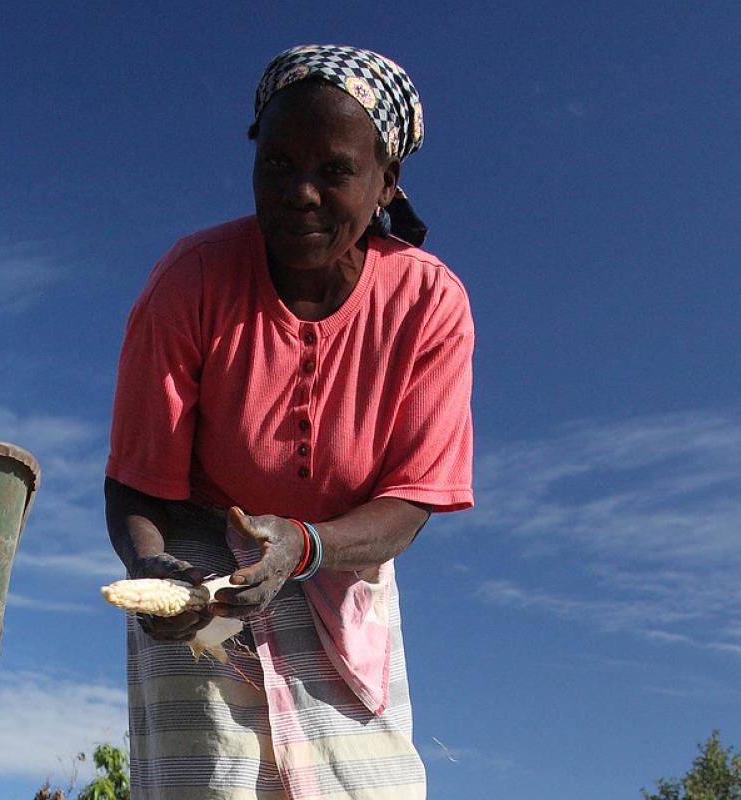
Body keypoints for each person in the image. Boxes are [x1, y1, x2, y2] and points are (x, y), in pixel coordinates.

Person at [104, 44, 473, 800]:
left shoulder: (428, 304)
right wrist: (153, 567)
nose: (299, 193)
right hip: (199, 559)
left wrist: (306, 545)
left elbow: (410, 502)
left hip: (341, 556)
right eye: (277, 166)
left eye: (333, 170)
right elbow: (138, 483)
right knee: (210, 779)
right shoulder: (193, 278)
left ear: (385, 184)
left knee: (363, 783)